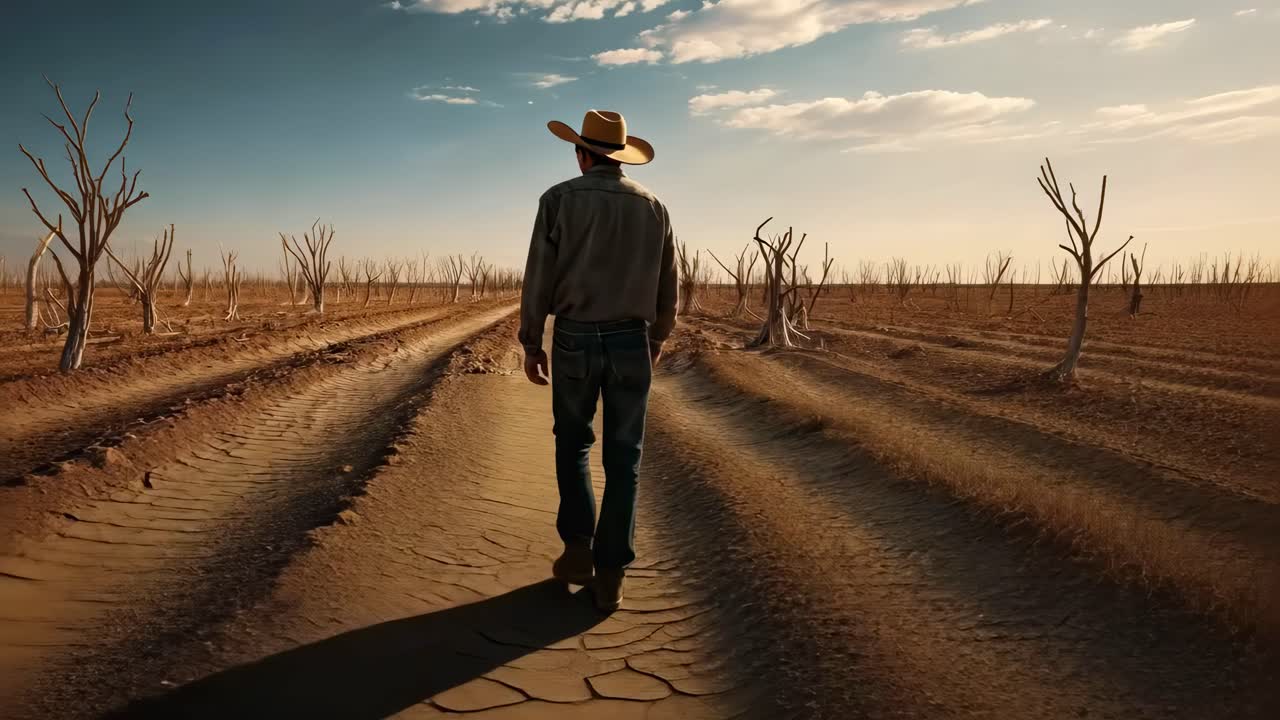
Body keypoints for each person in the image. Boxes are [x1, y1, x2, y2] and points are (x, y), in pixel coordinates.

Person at [517, 109, 678, 612]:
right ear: (621, 157)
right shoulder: (654, 206)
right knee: (625, 458)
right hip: (633, 340)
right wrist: (659, 336)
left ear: (582, 154)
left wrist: (531, 341)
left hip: (574, 341)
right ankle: (612, 573)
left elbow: (538, 276)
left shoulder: (558, 199)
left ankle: (578, 548)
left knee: (573, 443)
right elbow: (669, 280)